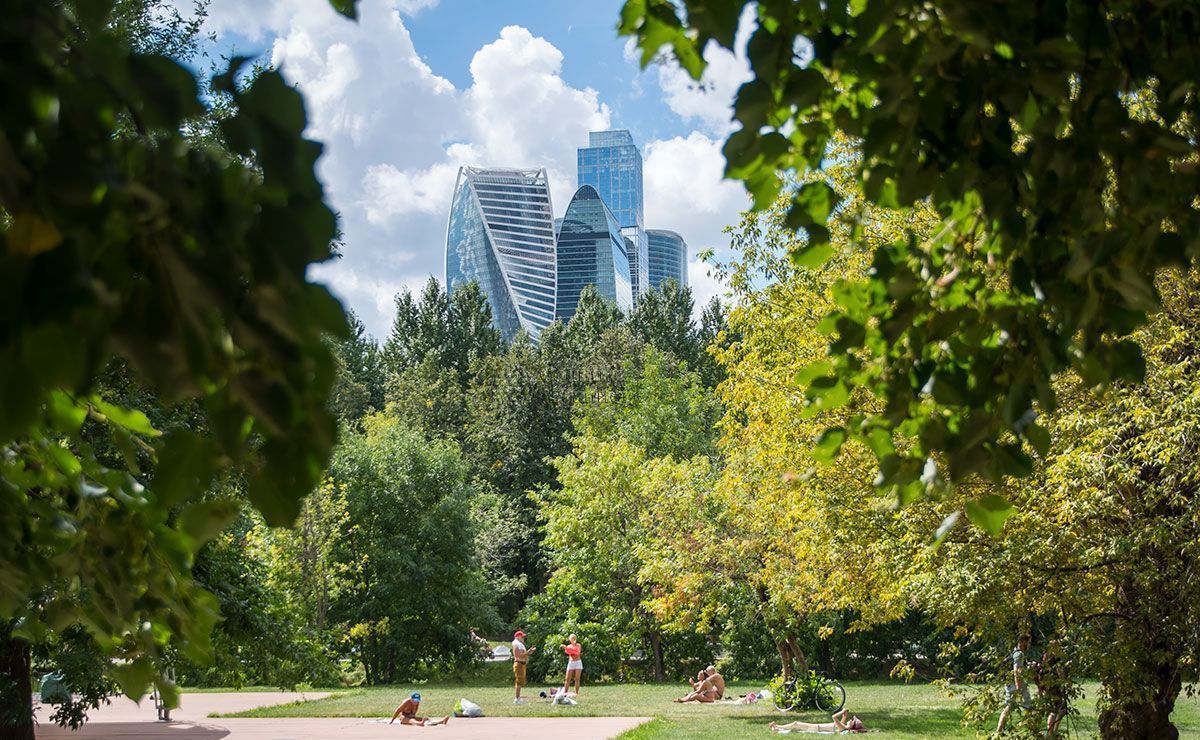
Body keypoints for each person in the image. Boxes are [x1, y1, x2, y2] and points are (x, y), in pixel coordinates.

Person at [996, 633, 1033, 733]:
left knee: (1009, 707)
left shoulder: (1014, 652)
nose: (1029, 645)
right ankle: (1033, 731)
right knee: (1028, 706)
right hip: (1016, 685)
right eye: (1028, 642)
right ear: (1022, 642)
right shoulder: (1019, 654)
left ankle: (999, 731)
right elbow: (1016, 671)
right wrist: (1018, 687)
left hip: (1010, 684)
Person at [1037, 640, 1068, 738]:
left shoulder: (1045, 657)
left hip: (1048, 686)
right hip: (1054, 687)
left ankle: (1053, 732)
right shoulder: (1055, 658)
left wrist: (1040, 688)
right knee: (1057, 709)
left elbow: (1040, 673)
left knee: (1058, 709)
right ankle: (1052, 732)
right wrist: (1064, 682)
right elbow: (1060, 673)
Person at [769, 709, 866, 734]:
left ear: (851, 726)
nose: (850, 719)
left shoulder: (843, 727)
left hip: (815, 728)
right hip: (816, 726)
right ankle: (778, 728)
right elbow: (843, 718)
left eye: (851, 721)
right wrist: (844, 714)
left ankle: (778, 727)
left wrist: (841, 712)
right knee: (796, 725)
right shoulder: (843, 726)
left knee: (796, 724)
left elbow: (834, 717)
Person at [511, 629, 536, 704]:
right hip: (519, 664)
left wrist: (529, 652)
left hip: (521, 664)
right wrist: (528, 652)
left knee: (520, 681)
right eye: (522, 637)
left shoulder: (519, 644)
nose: (523, 638)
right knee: (518, 682)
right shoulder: (516, 644)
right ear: (518, 637)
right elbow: (518, 655)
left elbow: (523, 654)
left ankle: (518, 698)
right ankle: (517, 699)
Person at [559, 633, 583, 700]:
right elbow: (569, 652)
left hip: (578, 662)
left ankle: (576, 693)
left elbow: (577, 653)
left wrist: (566, 647)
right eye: (572, 638)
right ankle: (565, 693)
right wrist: (566, 648)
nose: (573, 640)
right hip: (571, 662)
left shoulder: (578, 645)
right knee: (567, 679)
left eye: (574, 638)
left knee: (577, 679)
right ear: (570, 640)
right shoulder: (569, 646)